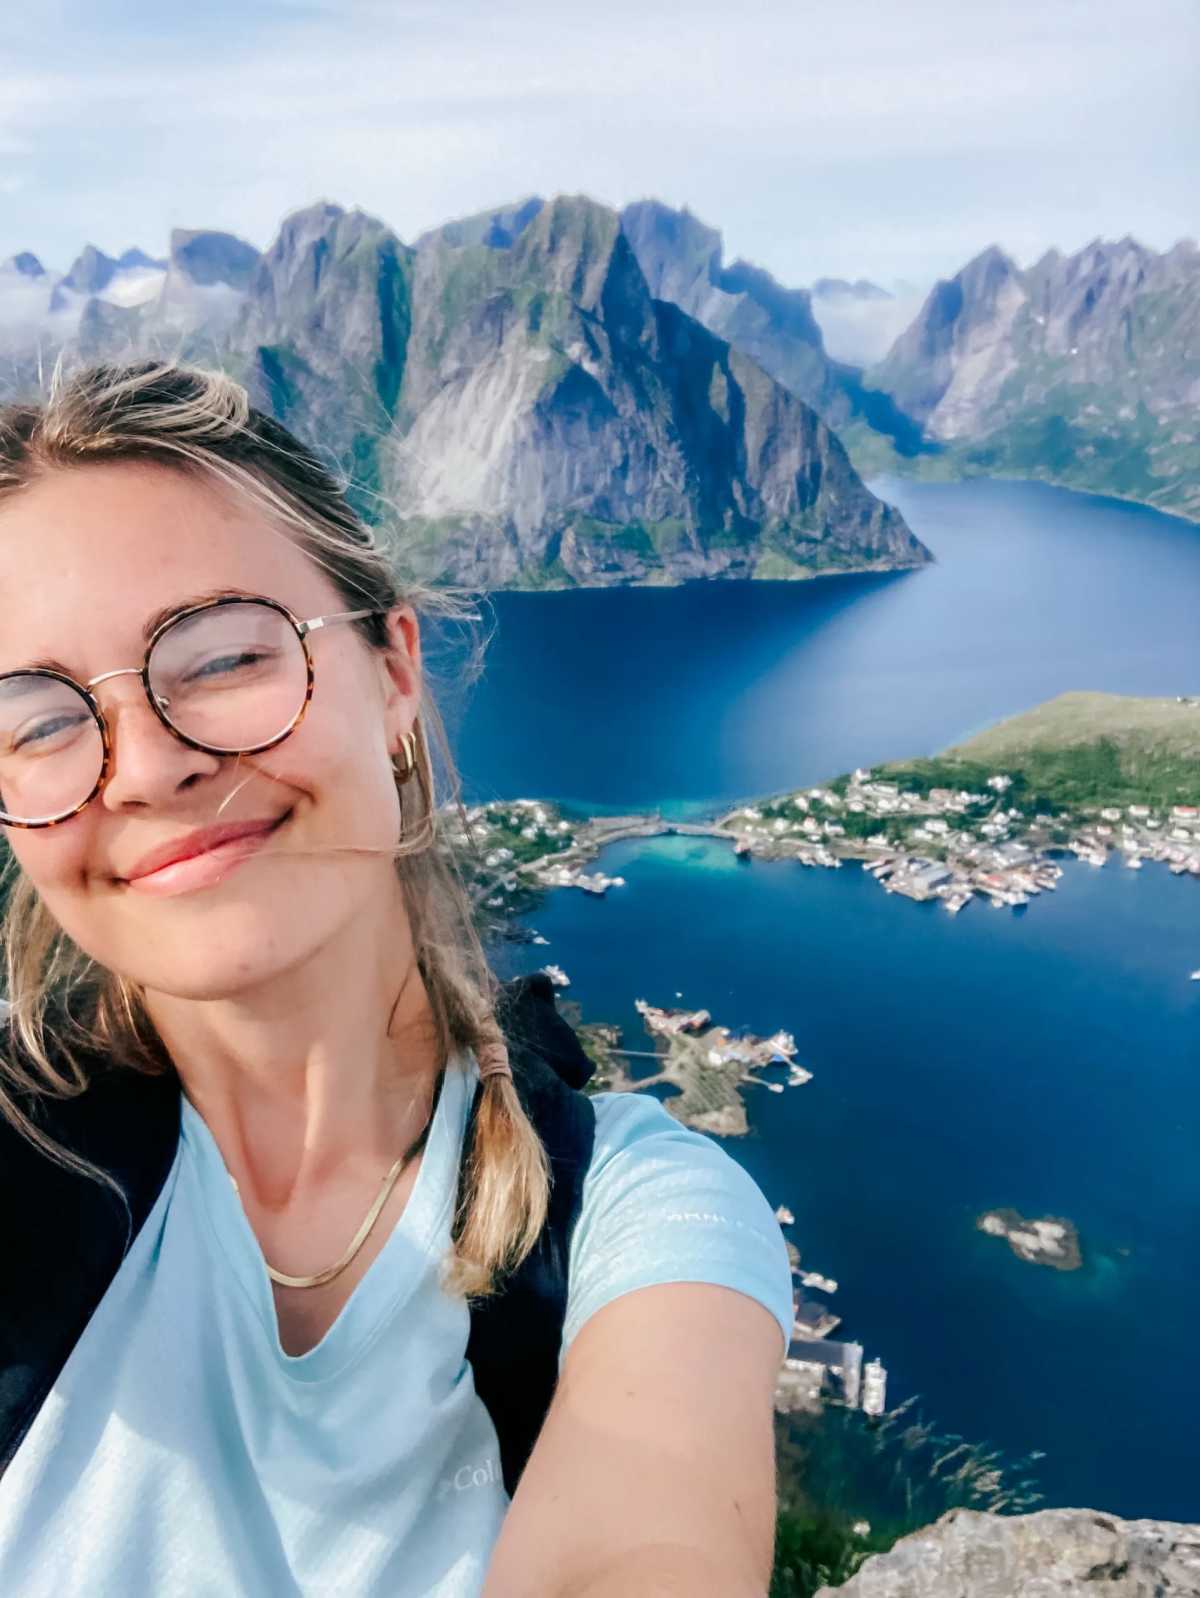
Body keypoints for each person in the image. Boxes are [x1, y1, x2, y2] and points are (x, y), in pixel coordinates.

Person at [0, 358, 795, 1596]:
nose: (146, 767)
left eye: (222, 657)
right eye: (41, 721)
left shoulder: (634, 1214)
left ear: (394, 674)